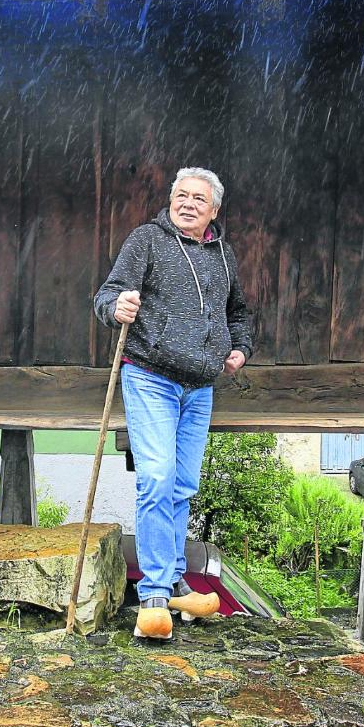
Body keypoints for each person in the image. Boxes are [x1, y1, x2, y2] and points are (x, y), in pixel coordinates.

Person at [94, 167, 252, 640]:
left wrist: (240, 348)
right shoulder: (147, 240)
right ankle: (156, 593)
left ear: (214, 210)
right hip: (151, 377)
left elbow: (238, 312)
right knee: (157, 477)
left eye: (197, 198)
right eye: (180, 195)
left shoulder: (223, 254)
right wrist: (116, 306)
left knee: (182, 484)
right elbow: (106, 296)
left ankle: (177, 579)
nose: (186, 203)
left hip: (199, 387)